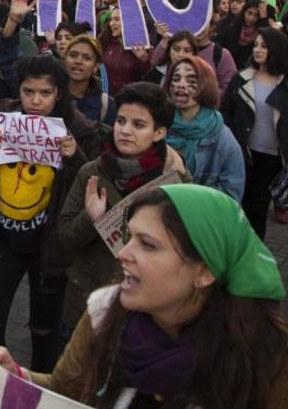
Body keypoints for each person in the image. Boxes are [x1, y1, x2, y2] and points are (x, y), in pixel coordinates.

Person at [0, 185, 288, 409]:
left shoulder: (279, 362)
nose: (124, 253)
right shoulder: (104, 315)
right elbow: (67, 393)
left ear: (204, 271)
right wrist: (16, 376)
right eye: (129, 239)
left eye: (148, 245)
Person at [0, 54, 100, 371]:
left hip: (49, 245)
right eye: (29, 91)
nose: (36, 101)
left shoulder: (80, 130)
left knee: (43, 330)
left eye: (45, 93)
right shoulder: (6, 118)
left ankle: (40, 386)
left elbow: (91, 189)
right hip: (5, 235)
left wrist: (75, 158)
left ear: (59, 93)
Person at [54, 82, 188, 335]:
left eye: (138, 125)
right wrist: (91, 218)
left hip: (146, 311)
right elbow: (65, 239)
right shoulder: (91, 172)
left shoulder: (175, 181)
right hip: (87, 306)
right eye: (121, 121)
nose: (125, 131)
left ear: (159, 133)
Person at [221, 27, 288, 238]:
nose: (257, 50)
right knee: (237, 204)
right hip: (243, 152)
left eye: (264, 46)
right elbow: (226, 110)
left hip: (272, 157)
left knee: (258, 209)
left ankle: (254, 255)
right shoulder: (242, 78)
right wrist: (233, 137)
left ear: (276, 49)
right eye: (256, 45)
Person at [164, 56, 245, 200]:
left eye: (191, 81)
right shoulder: (159, 125)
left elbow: (230, 195)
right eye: (176, 79)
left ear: (206, 86)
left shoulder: (223, 140)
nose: (180, 85)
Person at [64, 34, 116, 135]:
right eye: (73, 55)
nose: (78, 61)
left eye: (87, 58)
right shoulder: (51, 97)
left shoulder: (106, 104)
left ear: (96, 66)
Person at [100, 8, 150, 96]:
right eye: (111, 19)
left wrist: (144, 61)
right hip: (108, 101)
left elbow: (150, 80)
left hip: (131, 102)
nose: (112, 23)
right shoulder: (105, 44)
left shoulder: (143, 46)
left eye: (117, 19)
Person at [220, 0, 268, 69]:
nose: (251, 18)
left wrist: (264, 18)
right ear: (244, 12)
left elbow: (266, 39)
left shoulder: (260, 31)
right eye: (249, 13)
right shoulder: (233, 27)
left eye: (256, 15)